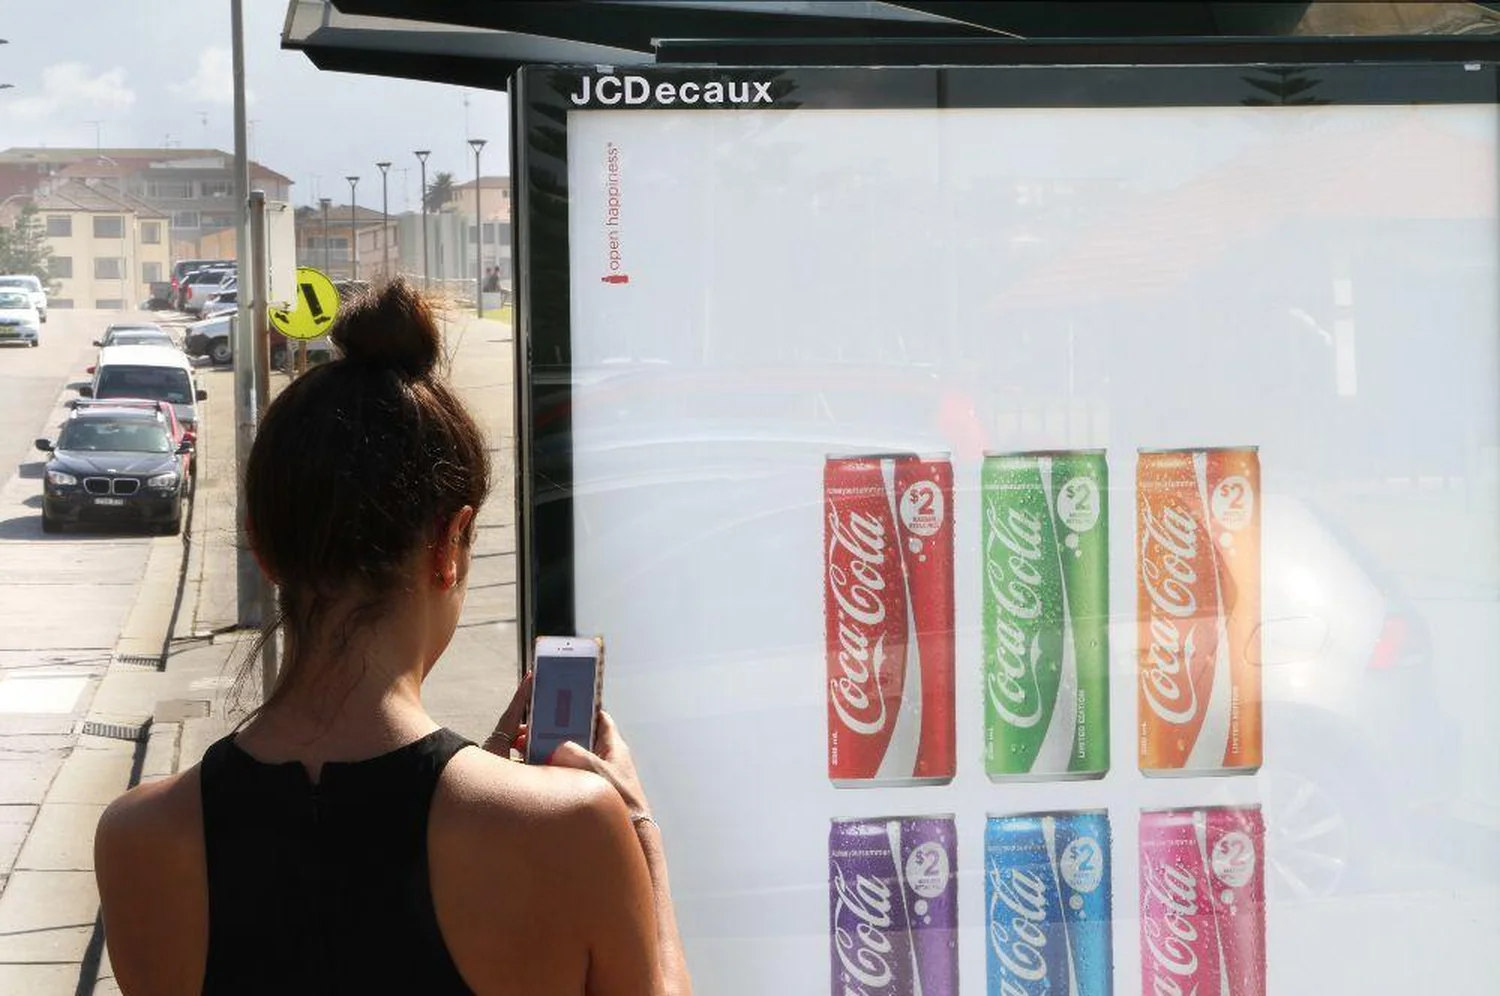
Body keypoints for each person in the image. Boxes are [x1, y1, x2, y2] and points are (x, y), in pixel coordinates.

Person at [93, 279, 693, 996]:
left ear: (262, 548)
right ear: (451, 544)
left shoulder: (140, 840)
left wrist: (477, 781)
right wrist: (639, 833)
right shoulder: (571, 831)